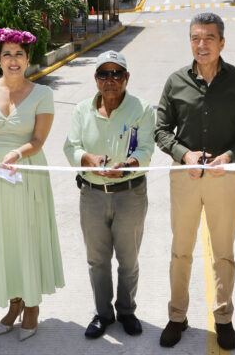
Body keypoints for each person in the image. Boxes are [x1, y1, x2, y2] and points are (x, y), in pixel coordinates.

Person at [155, 12, 235, 350]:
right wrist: (183, 153)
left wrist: (229, 156)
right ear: (190, 42)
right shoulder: (175, 82)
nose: (202, 45)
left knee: (223, 253)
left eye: (209, 38)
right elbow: (160, 130)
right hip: (184, 177)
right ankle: (177, 315)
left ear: (222, 42)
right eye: (196, 39)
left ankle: (223, 317)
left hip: (224, 177)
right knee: (180, 251)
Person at [0, 27, 64, 341]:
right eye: (6, 54)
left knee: (29, 235)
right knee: (4, 239)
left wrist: (17, 153)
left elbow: (37, 140)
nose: (13, 60)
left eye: (19, 54)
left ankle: (32, 305)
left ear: (27, 59)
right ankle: (14, 304)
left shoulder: (42, 94)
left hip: (27, 171)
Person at [63, 50, 155, 339]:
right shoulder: (81, 110)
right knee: (97, 260)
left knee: (128, 260)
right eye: (104, 74)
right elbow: (70, 147)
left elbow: (146, 150)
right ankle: (103, 314)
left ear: (126, 78)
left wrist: (126, 166)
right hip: (92, 195)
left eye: (117, 74)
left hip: (130, 193)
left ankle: (127, 311)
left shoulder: (141, 109)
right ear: (96, 79)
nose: (111, 80)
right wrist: (86, 158)